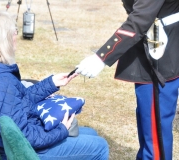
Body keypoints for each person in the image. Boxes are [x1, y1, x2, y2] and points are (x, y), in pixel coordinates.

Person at [0, 11, 109, 160]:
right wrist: (61, 130)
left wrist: (50, 83)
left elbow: (15, 100)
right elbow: (24, 137)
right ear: (4, 39)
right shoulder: (0, 82)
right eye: (14, 31)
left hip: (8, 138)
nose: (16, 35)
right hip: (18, 151)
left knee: (91, 134)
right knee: (100, 146)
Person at [75, 0, 179, 159]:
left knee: (155, 138)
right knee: (147, 129)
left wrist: (102, 57)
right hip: (149, 46)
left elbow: (139, 19)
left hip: (159, 56)